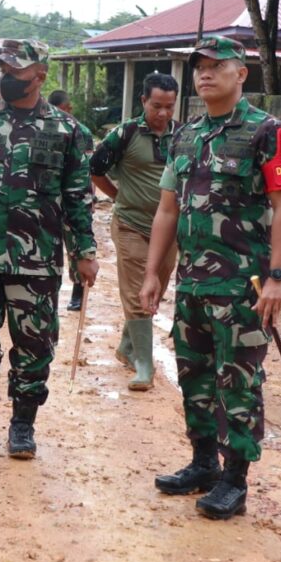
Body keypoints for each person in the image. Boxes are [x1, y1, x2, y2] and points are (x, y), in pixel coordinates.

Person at [138, 37, 281, 519]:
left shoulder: (268, 133)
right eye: (199, 67)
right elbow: (167, 210)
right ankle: (202, 464)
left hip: (243, 287)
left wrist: (278, 276)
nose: (205, 74)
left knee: (239, 383)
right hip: (193, 284)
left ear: (241, 74)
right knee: (194, 377)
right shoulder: (186, 136)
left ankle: (235, 479)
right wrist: (154, 273)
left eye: (217, 66)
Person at [0, 39, 98, 459]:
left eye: (15, 71)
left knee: (34, 342)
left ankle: (23, 422)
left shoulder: (68, 131)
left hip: (37, 258)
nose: (6, 77)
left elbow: (79, 197)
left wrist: (84, 251)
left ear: (39, 76)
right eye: (3, 69)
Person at [90, 72, 179, 390]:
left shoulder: (183, 136)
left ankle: (128, 346)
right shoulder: (124, 133)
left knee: (155, 289)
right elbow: (95, 169)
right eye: (157, 106)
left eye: (169, 106)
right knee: (138, 290)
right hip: (130, 224)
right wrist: (117, 196)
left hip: (168, 230)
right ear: (143, 101)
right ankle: (144, 365)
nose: (163, 113)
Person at [47, 89, 94, 312]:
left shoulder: (81, 131)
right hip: (51, 198)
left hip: (74, 197)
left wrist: (89, 200)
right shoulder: (44, 127)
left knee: (75, 244)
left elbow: (87, 171)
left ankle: (78, 291)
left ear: (69, 109)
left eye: (64, 110)